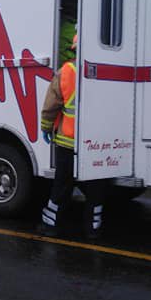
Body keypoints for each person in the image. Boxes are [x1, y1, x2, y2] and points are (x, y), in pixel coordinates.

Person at [38, 33, 107, 239]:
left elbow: (52, 105)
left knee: (61, 186)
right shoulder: (105, 71)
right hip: (96, 143)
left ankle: (51, 226)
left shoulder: (67, 71)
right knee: (95, 187)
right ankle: (93, 228)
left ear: (75, 50)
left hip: (67, 142)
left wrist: (46, 127)